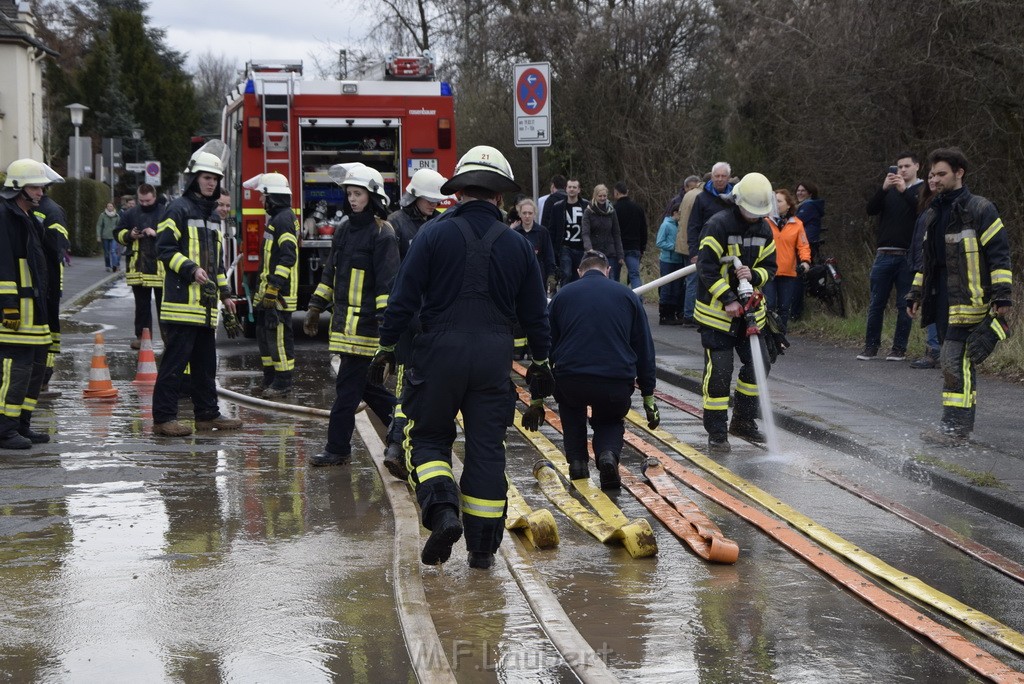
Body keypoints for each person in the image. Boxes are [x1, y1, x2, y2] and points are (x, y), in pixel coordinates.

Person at [371, 145, 551, 570]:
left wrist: (387, 345)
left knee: (429, 438)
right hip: (493, 361)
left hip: (437, 357)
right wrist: (541, 365)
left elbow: (402, 298)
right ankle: (483, 550)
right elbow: (537, 316)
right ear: (501, 197)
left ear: (458, 192)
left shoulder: (431, 235)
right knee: (487, 449)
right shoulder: (518, 246)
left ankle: (443, 512)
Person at [907, 148, 1013, 446]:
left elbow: (999, 256)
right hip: (940, 300)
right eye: (931, 175)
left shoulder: (980, 209)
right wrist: (914, 294)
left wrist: (1002, 297)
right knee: (953, 363)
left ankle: (954, 429)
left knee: (955, 362)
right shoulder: (933, 214)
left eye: (941, 174)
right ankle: (955, 427)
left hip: (970, 301)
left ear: (959, 173)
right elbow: (926, 263)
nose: (934, 180)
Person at [304, 163, 399, 466]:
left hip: (367, 329)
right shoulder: (344, 230)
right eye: (349, 193)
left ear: (372, 196)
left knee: (347, 390)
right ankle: (404, 430)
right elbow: (331, 273)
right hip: (344, 327)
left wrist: (387, 330)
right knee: (369, 388)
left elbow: (387, 285)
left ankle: (337, 448)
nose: (353, 199)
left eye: (358, 193)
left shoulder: (382, 234)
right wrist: (315, 306)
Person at [542, 249, 659, 489]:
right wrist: (648, 393)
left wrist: (540, 388)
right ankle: (607, 456)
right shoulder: (627, 296)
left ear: (579, 271)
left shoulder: (562, 296)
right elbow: (644, 347)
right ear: (608, 271)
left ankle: (577, 463)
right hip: (615, 380)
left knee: (572, 414)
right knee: (609, 420)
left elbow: (547, 342)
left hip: (572, 377)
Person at [151, 142, 243, 437]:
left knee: (205, 367)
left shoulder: (213, 217)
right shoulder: (176, 209)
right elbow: (163, 249)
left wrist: (226, 295)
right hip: (181, 306)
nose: (211, 183)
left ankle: (207, 416)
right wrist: (190, 269)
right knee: (174, 367)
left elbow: (216, 264)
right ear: (195, 179)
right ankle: (164, 419)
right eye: (206, 178)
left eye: (214, 179)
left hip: (206, 308)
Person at [694, 172, 777, 454]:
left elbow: (771, 268)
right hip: (718, 315)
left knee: (759, 364)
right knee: (719, 372)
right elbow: (705, 268)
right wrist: (728, 298)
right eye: (751, 212)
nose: (755, 218)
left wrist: (753, 275)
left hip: (752, 313)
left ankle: (743, 420)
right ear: (737, 202)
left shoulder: (765, 230)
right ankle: (717, 432)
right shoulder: (718, 225)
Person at [0, 159, 61, 449]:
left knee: (35, 370)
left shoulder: (28, 217)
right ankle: (4, 428)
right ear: (19, 188)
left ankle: (22, 424)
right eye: (35, 187)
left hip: (34, 312)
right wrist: (7, 305)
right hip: (15, 313)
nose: (40, 192)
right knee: (15, 369)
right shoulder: (4, 215)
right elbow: (3, 266)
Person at [858, 153, 922, 361]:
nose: (902, 170)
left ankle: (899, 349)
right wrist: (884, 188)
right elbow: (870, 210)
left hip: (907, 256)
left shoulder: (921, 190)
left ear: (917, 167)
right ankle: (871, 346)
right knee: (876, 303)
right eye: (899, 167)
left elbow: (921, 210)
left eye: (906, 166)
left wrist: (904, 191)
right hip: (883, 254)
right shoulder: (888, 191)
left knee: (904, 305)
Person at [243, 172, 299, 398]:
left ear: (272, 196)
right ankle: (270, 378)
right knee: (265, 338)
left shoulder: (283, 220)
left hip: (279, 295)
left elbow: (288, 257)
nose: (260, 201)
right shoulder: (277, 219)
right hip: (268, 293)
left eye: (262, 196)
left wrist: (274, 288)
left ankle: (283, 382)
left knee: (278, 339)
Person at [115, 183, 164, 349]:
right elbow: (118, 233)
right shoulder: (130, 214)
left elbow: (174, 236)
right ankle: (142, 338)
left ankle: (168, 338)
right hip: (138, 268)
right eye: (141, 201)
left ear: (154, 198)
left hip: (160, 270)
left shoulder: (164, 212)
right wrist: (130, 235)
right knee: (142, 307)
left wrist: (155, 233)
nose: (144, 204)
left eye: (148, 201)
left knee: (164, 308)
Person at [34, 177, 70, 402]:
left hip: (48, 282)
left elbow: (58, 245)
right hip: (39, 281)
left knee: (47, 328)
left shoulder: (52, 211)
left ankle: (43, 376)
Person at [688, 164, 735, 320]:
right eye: (717, 176)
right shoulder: (701, 198)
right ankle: (701, 317)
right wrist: (694, 252)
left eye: (723, 176)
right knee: (706, 282)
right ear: (712, 176)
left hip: (732, 250)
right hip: (707, 249)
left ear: (728, 177)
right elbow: (693, 226)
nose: (720, 179)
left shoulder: (736, 196)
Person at [764, 189, 810, 333]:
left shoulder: (797, 224)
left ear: (788, 205)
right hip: (768, 271)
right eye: (774, 201)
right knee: (769, 305)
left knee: (784, 307)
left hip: (788, 271)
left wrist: (805, 262)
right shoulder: (765, 222)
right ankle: (768, 335)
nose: (776, 204)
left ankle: (781, 335)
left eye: (779, 201)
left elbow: (803, 245)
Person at [909, 173, 941, 369]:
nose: (932, 180)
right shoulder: (926, 204)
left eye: (937, 175)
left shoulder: (941, 206)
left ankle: (935, 351)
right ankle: (934, 349)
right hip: (923, 263)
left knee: (934, 305)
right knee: (929, 304)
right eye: (929, 176)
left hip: (934, 265)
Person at [389, 168, 448, 259]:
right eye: (430, 200)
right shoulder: (395, 222)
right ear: (415, 197)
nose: (434, 205)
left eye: (436, 200)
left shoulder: (441, 221)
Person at [673, 174, 705, 324]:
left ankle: (687, 312)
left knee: (689, 279)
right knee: (694, 280)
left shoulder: (687, 196)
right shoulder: (701, 196)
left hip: (685, 243)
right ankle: (690, 314)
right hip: (695, 245)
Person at [547, 178, 589, 286]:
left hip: (581, 247)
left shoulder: (586, 206)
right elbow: (552, 229)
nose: (572, 189)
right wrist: (552, 248)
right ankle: (564, 296)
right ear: (566, 189)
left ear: (579, 190)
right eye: (569, 187)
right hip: (565, 246)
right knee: (566, 273)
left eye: (574, 187)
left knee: (579, 275)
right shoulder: (558, 207)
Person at [512, 197, 557, 290]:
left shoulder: (542, 232)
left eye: (530, 213)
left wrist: (551, 275)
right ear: (519, 214)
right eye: (524, 213)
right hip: (519, 277)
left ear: (534, 214)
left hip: (539, 276)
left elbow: (549, 255)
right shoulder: (514, 233)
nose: (527, 216)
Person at [581, 184, 624, 279]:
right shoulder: (588, 212)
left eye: (604, 196)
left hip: (610, 252)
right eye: (600, 196)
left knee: (611, 278)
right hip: (595, 252)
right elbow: (585, 233)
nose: (602, 198)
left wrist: (620, 255)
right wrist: (589, 248)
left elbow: (616, 233)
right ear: (595, 196)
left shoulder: (611, 211)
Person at [655, 199, 686, 325]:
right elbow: (659, 242)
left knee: (677, 287)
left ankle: (673, 313)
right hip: (667, 260)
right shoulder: (666, 225)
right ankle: (664, 314)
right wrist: (674, 246)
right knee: (667, 287)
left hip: (678, 259)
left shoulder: (679, 226)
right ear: (675, 213)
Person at [612, 181, 647, 289]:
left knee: (614, 277)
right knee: (634, 276)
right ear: (627, 192)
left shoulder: (614, 209)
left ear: (616, 193)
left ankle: (615, 300)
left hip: (617, 248)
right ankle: (638, 300)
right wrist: (642, 248)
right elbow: (643, 230)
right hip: (634, 247)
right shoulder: (638, 208)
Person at [96, 202, 121, 272]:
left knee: (113, 251)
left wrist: (119, 235)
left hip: (114, 236)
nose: (109, 207)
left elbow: (119, 226)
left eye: (111, 206)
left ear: (113, 207)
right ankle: (107, 265)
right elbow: (99, 225)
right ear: (106, 207)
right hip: (105, 236)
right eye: (108, 206)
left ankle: (115, 265)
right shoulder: (103, 215)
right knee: (106, 252)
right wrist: (98, 235)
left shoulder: (117, 216)